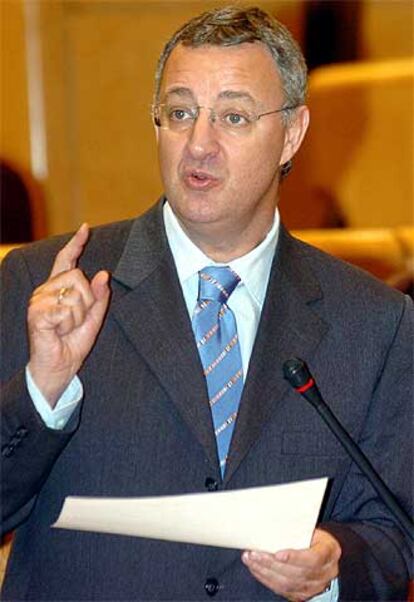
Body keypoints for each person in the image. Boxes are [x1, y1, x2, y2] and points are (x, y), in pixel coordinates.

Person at [1, 6, 412, 601]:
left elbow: (395, 536)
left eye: (234, 117)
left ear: (291, 134)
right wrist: (44, 388)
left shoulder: (376, 323)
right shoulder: (46, 284)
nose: (199, 144)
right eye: (180, 112)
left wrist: (333, 565)